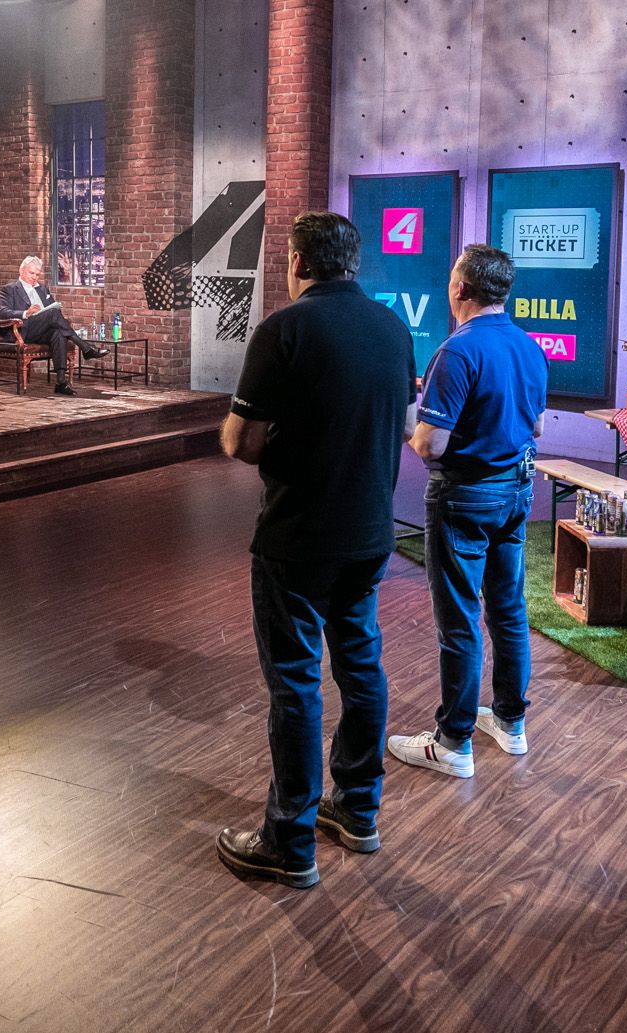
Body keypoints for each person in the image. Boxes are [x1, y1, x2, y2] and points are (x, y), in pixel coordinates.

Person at [215, 211, 415, 887]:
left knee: (296, 683)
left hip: (297, 537)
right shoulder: (393, 328)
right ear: (352, 262)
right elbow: (407, 425)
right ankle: (358, 811)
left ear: (297, 261)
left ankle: (289, 840)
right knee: (361, 666)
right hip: (370, 536)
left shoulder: (283, 329)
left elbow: (240, 443)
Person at [387, 244, 549, 779]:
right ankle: (510, 723)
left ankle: (452, 742)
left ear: (460, 289)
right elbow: (538, 428)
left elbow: (431, 445)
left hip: (465, 499)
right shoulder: (530, 347)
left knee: (459, 622)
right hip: (516, 495)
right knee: (508, 610)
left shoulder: (456, 352)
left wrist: (398, 430)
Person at [0, 255, 102, 397]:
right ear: (21, 271)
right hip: (23, 330)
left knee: (58, 331)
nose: (34, 277)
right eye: (31, 273)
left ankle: (61, 383)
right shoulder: (9, 289)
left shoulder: (42, 289)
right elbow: (3, 313)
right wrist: (26, 312)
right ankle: (85, 347)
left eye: (37, 274)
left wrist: (50, 311)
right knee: (52, 314)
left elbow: (54, 310)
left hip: (42, 330)